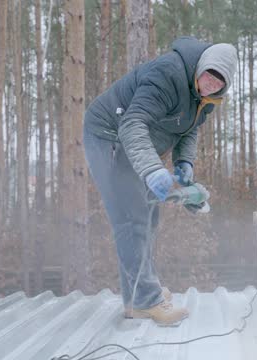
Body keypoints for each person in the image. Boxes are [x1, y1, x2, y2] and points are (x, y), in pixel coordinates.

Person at [82, 36, 237, 326]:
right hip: (108, 135)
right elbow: (132, 124)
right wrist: (153, 170)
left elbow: (188, 129)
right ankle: (145, 301)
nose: (213, 83)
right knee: (131, 219)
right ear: (200, 67)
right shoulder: (167, 75)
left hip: (136, 143)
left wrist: (184, 164)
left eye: (220, 81)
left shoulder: (205, 97)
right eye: (210, 75)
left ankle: (138, 294)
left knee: (148, 218)